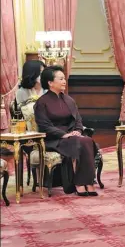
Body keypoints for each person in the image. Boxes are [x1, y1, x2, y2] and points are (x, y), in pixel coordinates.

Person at [34, 65, 98, 197]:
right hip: (53, 138)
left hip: (72, 135)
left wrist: (78, 131)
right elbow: (44, 125)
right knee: (78, 142)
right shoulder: (42, 102)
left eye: (64, 78)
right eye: (61, 78)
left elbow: (78, 119)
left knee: (86, 140)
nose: (64, 81)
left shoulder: (69, 99)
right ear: (50, 83)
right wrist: (64, 134)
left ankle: (89, 182)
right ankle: (79, 184)